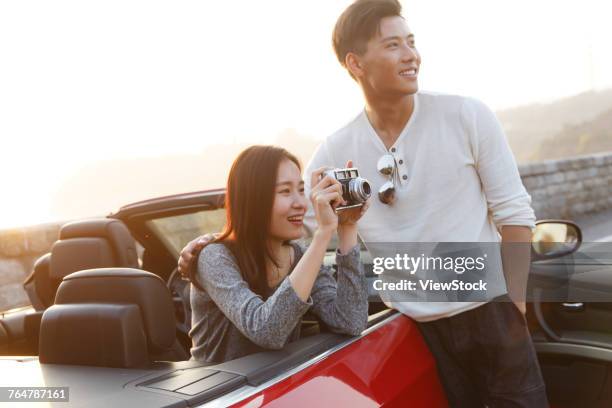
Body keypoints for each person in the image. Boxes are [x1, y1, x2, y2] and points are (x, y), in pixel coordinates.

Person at [181, 1, 547, 406]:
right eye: (393, 45)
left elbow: (514, 214)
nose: (411, 55)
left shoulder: (466, 115)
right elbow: (288, 232)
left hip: (491, 315)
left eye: (411, 42)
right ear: (355, 63)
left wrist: (515, 306)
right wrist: (214, 245)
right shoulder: (332, 154)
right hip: (412, 333)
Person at [188, 145, 369, 363]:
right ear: (252, 199)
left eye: (302, 190)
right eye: (285, 191)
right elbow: (267, 331)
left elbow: (351, 321)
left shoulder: (299, 255)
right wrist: (322, 235)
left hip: (276, 387)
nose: (301, 204)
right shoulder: (214, 257)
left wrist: (347, 227)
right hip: (218, 391)